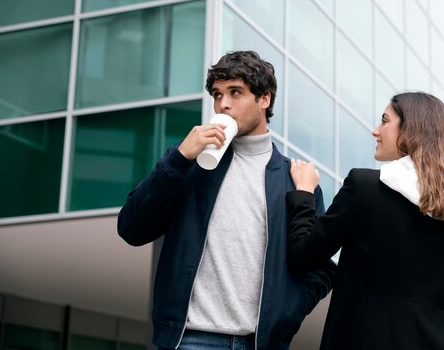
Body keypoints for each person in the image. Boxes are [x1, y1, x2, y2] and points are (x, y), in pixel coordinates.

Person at [117, 51, 335, 350]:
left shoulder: (295, 180)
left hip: (259, 343)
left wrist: (287, 312)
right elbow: (132, 229)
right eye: (217, 95)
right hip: (190, 338)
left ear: (264, 99)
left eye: (236, 92)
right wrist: (179, 157)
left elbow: (321, 267)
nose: (223, 104)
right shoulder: (187, 162)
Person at [287, 92, 444, 350]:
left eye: (385, 121)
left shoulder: (363, 189)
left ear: (410, 131)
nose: (375, 131)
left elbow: (302, 254)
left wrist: (304, 194)